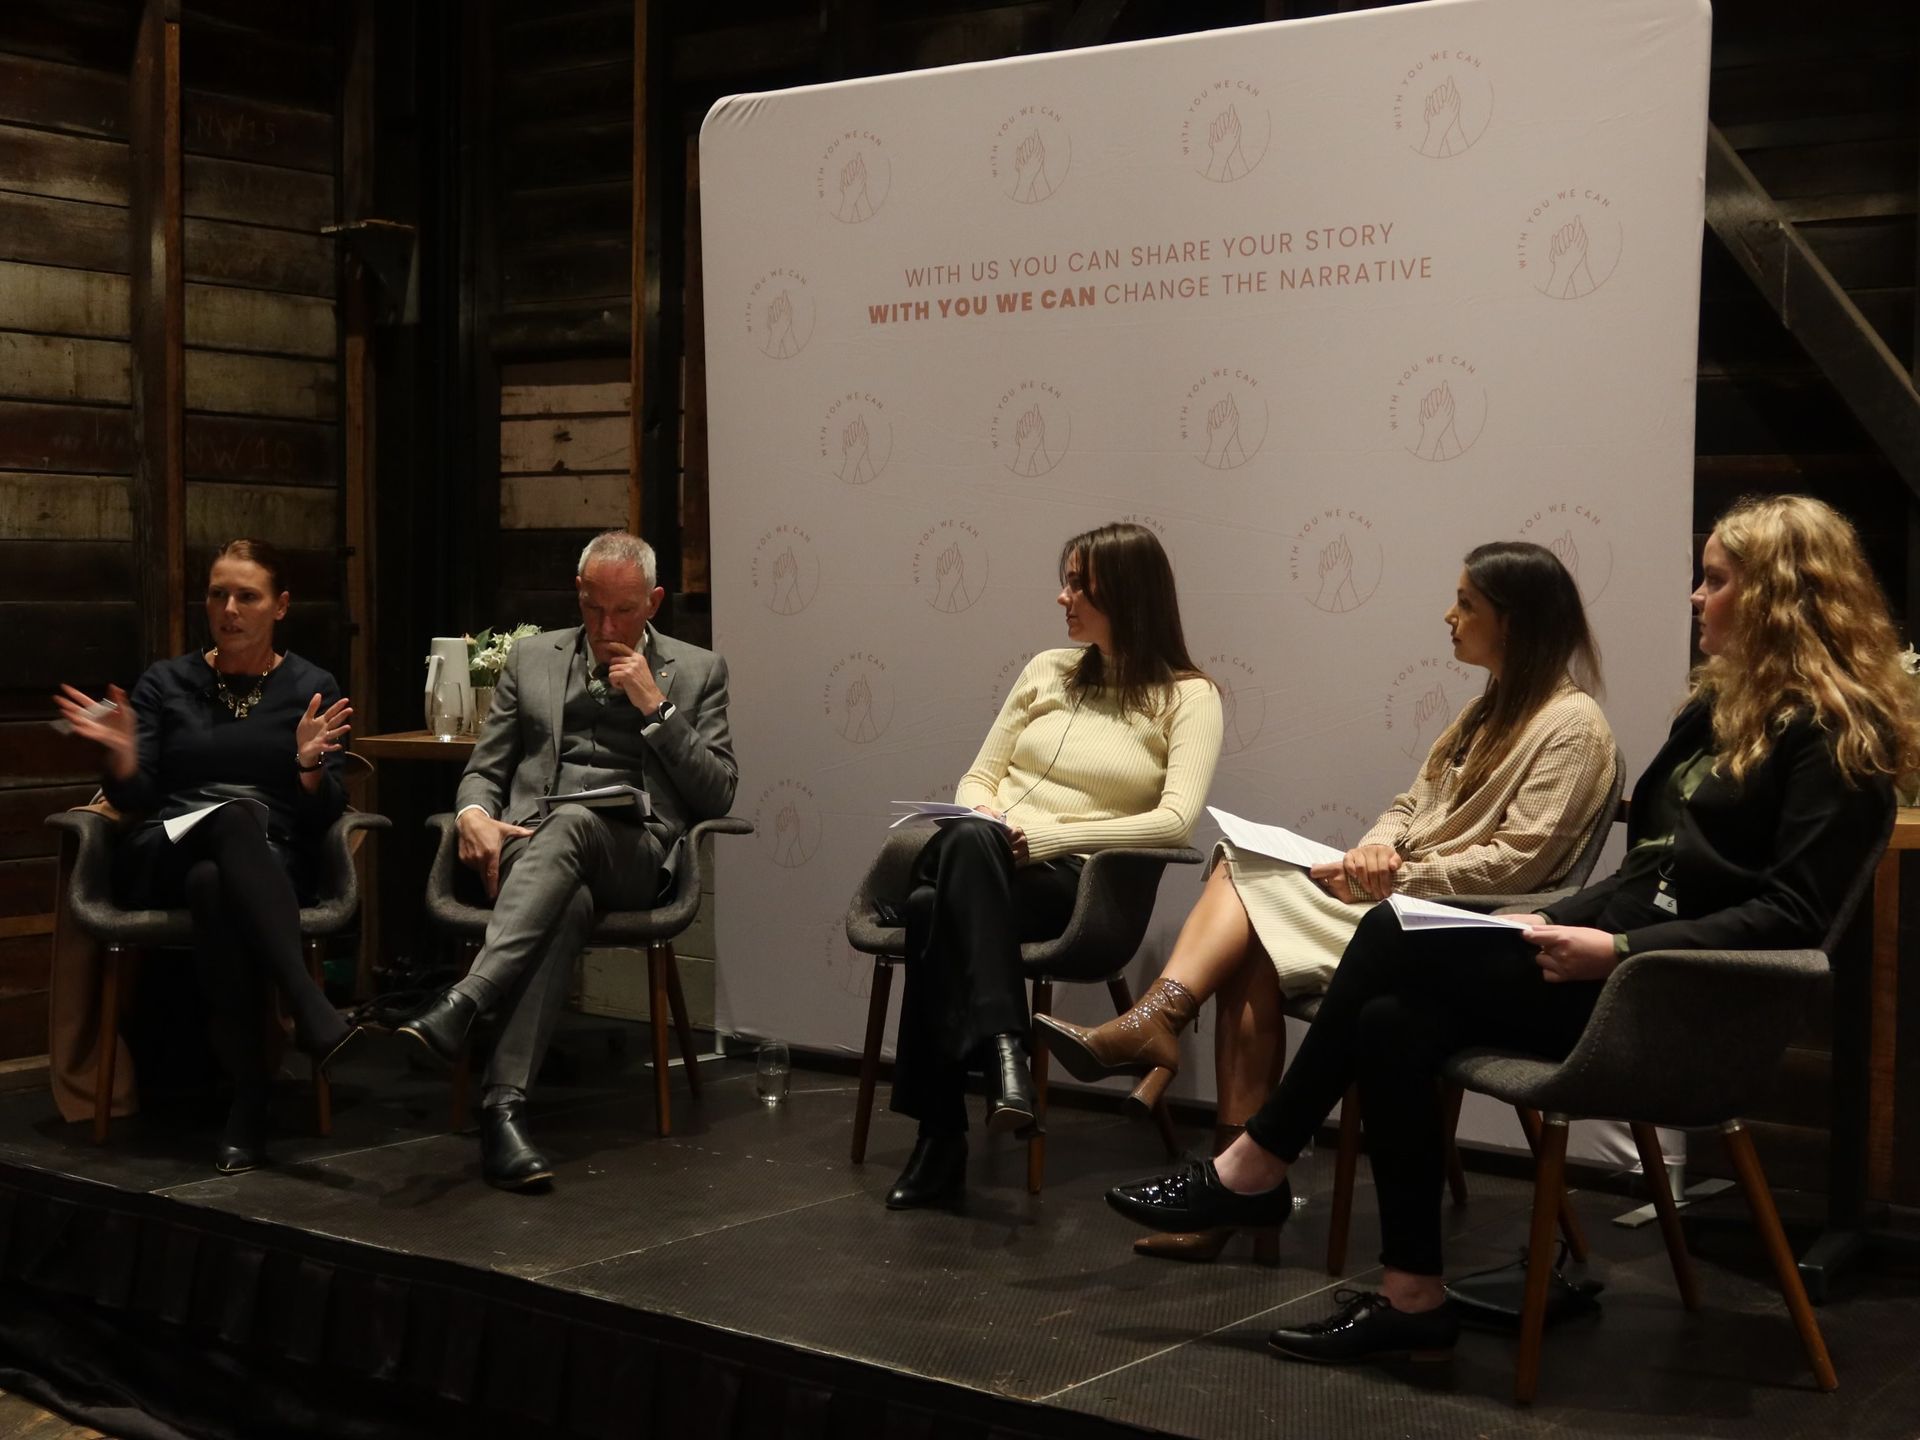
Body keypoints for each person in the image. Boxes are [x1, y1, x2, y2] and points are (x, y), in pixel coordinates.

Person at [1105, 495, 1918, 1365]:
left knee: (1387, 938)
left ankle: (1254, 1166)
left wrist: (1619, 950)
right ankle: (1411, 1298)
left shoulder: (1835, 738)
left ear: (1779, 597)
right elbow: (1645, 875)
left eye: (1714, 580)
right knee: (1388, 1023)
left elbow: (1791, 918)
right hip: (1611, 965)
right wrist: (1557, 919)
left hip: (1679, 1000)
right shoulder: (1715, 714)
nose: (1695, 596)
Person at [1036, 541, 1617, 1262]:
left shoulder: (1573, 728)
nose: (1449, 616)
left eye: (1466, 603)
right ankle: (1228, 1174)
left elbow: (1518, 865)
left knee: (1241, 880)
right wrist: (1373, 850)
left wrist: (1392, 875)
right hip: (1400, 902)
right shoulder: (1484, 710)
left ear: (1517, 619)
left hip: (1460, 932)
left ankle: (1168, 1046)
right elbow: (1410, 806)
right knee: (1248, 919)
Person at [884, 522, 1223, 1210]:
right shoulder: (1047, 670)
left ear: (1124, 592)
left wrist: (1048, 837)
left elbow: (1174, 820)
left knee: (927, 910)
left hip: (1073, 887)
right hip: (984, 859)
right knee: (969, 843)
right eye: (1064, 579)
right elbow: (978, 777)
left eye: (1078, 583)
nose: (1061, 596)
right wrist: (991, 816)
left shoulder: (1189, 697)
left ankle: (943, 1136)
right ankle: (1007, 1046)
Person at [399, 532, 736, 1192]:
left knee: (576, 821)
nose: (606, 627)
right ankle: (503, 1112)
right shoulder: (531, 659)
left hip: (635, 852)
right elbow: (483, 772)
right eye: (592, 609)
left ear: (655, 602)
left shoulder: (697, 671)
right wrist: (472, 814)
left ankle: (470, 996)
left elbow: (719, 791)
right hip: (538, 857)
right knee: (567, 901)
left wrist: (656, 707)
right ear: (577, 596)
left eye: (624, 611)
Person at [52, 540, 359, 1174]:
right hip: (162, 847)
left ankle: (247, 1105)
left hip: (265, 862)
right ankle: (306, 1002)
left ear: (280, 606)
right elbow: (135, 795)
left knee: (216, 885)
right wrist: (124, 755)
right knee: (226, 822)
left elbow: (325, 809)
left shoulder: (312, 686)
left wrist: (306, 765)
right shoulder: (167, 680)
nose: (229, 608)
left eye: (247, 596)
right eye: (218, 593)